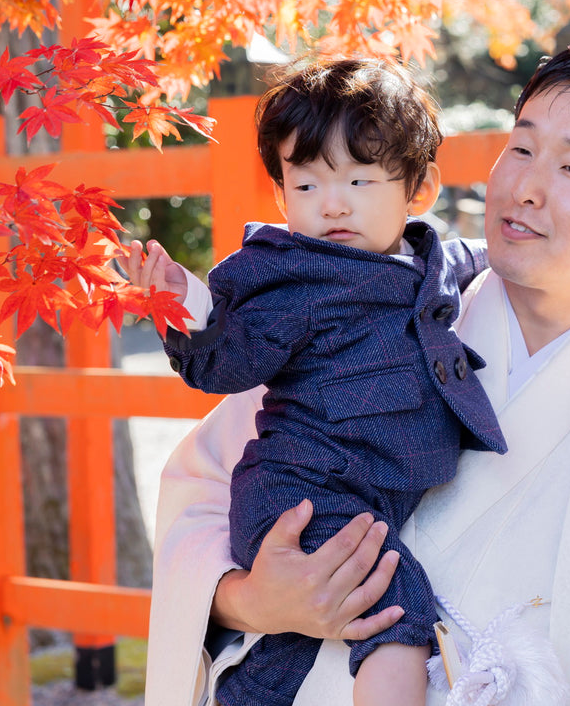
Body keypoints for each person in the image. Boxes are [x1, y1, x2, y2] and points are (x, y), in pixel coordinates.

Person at [140, 36, 570, 706]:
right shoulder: (362, 310)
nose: (524, 188)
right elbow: (199, 503)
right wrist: (253, 601)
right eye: (520, 148)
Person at [132, 58, 508, 706]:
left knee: (293, 648)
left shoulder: (432, 258)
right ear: (280, 195)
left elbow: (481, 259)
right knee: (395, 606)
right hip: (301, 491)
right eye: (305, 186)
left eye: (359, 179)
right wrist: (187, 306)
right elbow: (230, 357)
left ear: (418, 191)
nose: (332, 203)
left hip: (362, 493)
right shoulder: (288, 278)